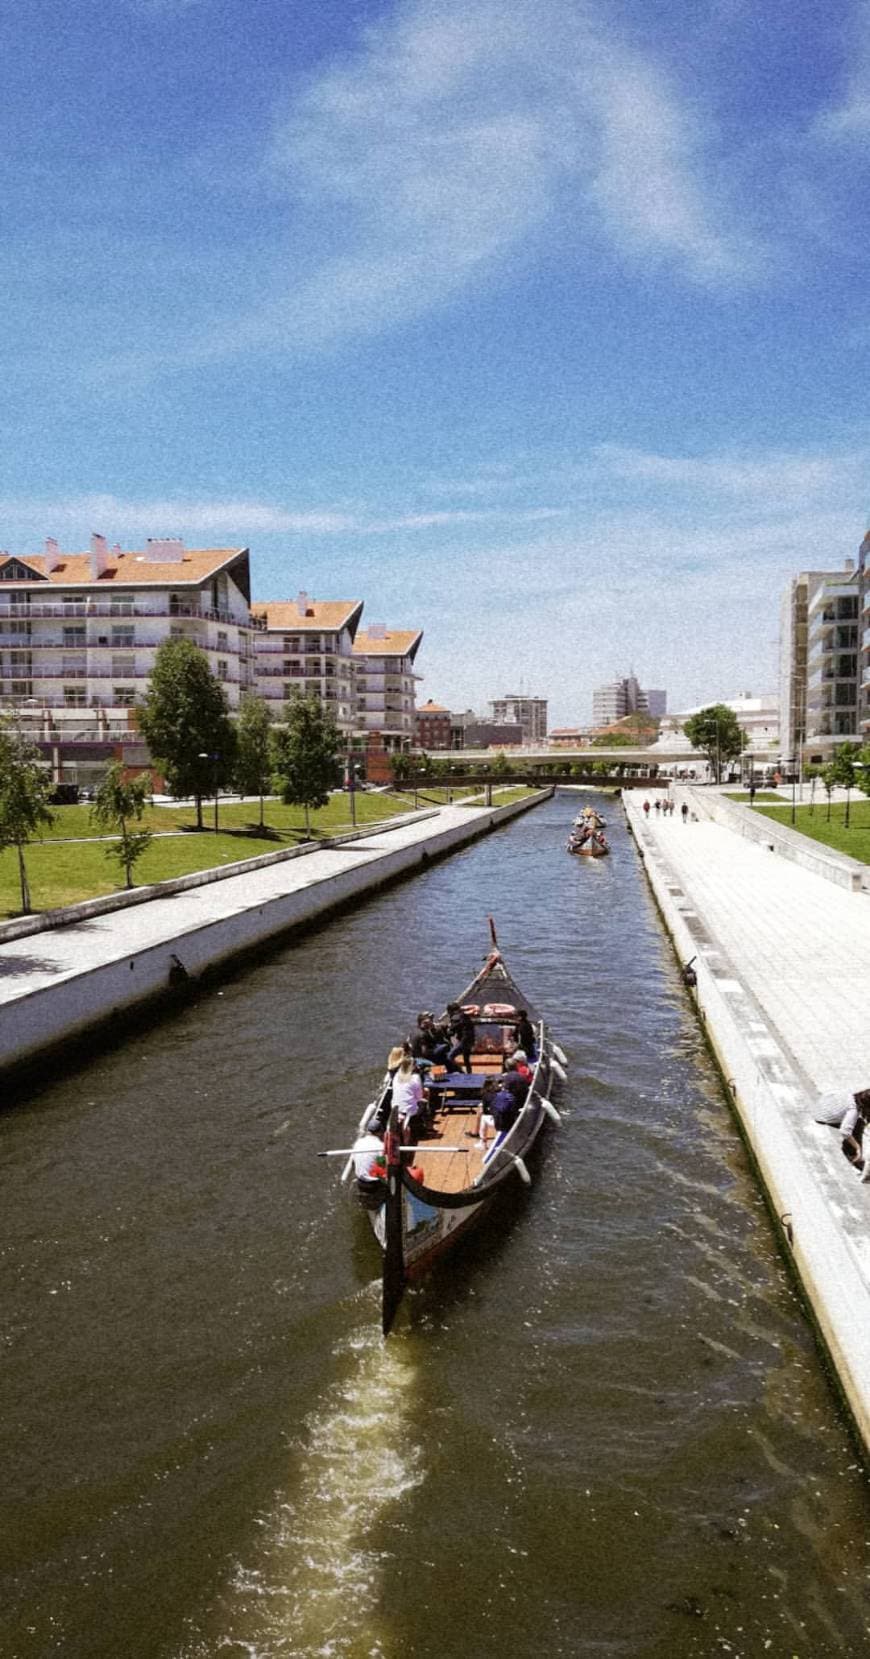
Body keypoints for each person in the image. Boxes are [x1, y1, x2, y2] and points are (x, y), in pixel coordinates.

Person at [391, 1054, 425, 1140]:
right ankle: (423, 1127)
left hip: (396, 1108)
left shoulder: (396, 1076)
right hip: (410, 1110)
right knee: (424, 1100)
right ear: (412, 1067)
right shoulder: (415, 1078)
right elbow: (419, 1096)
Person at [446, 1002, 475, 1074]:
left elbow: (452, 1031)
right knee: (466, 1060)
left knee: (449, 1057)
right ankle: (469, 1074)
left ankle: (460, 1071)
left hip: (463, 1041)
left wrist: (448, 1030)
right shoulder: (465, 1015)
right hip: (470, 1041)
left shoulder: (455, 1017)